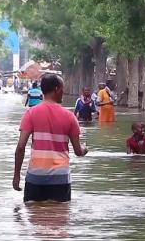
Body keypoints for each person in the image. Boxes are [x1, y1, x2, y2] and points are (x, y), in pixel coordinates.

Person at [13, 74, 88, 202]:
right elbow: (78, 151)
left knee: (34, 218)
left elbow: (21, 147)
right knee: (59, 218)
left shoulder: (30, 113)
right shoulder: (70, 117)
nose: (63, 92)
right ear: (57, 89)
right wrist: (84, 149)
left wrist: (16, 176)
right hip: (60, 178)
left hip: (35, 177)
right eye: (63, 88)